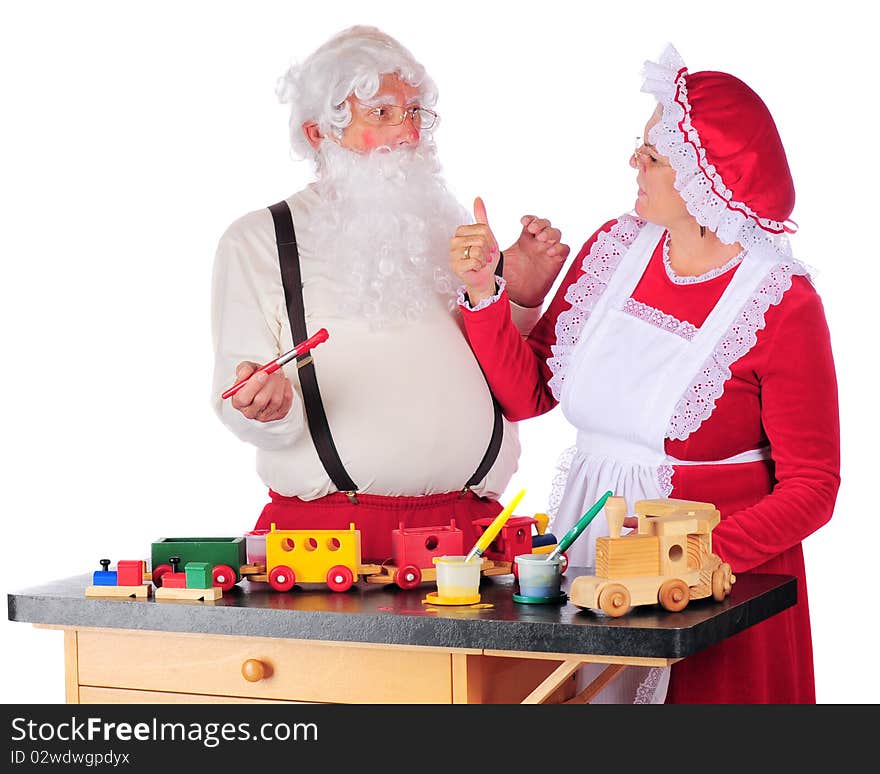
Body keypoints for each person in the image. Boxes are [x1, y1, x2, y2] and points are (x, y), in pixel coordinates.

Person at [450, 44, 839, 704]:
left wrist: (688, 558)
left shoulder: (781, 304)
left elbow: (814, 486)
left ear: (705, 177)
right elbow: (530, 390)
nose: (635, 162)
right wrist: (486, 295)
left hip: (715, 591)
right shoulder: (614, 248)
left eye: (654, 156)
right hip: (587, 562)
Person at [210, 25, 569, 562]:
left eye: (416, 113)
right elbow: (238, 401)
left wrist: (517, 298)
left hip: (474, 538)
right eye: (382, 113)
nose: (409, 134)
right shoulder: (261, 240)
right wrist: (266, 408)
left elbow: (504, 386)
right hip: (334, 542)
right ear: (318, 133)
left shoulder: (447, 227)